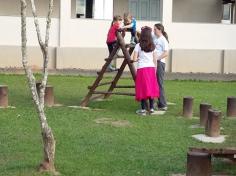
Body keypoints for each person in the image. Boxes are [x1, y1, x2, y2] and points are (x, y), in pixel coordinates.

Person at [133, 27, 159, 115]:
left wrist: (139, 58)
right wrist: (155, 70)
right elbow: (155, 60)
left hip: (142, 69)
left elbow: (134, 59)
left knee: (142, 88)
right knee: (151, 88)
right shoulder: (153, 45)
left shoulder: (138, 45)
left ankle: (143, 110)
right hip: (151, 68)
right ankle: (151, 108)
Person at [152, 23, 169, 111]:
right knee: (153, 82)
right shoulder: (154, 37)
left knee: (159, 83)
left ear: (160, 30)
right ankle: (154, 102)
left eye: (155, 29)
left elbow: (166, 53)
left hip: (160, 63)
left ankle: (163, 104)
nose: (153, 31)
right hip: (154, 63)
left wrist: (157, 59)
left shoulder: (163, 40)